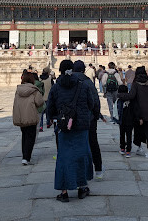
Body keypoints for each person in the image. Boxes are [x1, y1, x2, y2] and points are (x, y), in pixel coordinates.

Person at [47, 59, 94, 202]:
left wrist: (52, 118)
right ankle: (82, 187)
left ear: (60, 71)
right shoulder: (83, 85)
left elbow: (50, 106)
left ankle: (64, 191)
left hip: (63, 127)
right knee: (81, 155)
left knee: (64, 157)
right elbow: (91, 103)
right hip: (81, 126)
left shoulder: (56, 87)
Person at [72, 60, 103, 178]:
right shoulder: (88, 82)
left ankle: (78, 172)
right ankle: (98, 170)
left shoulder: (67, 81)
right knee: (93, 143)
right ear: (84, 70)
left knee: (75, 145)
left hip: (72, 119)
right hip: (88, 118)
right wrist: (96, 114)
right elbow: (95, 101)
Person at [117, 66, 148, 158]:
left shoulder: (136, 83)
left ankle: (139, 147)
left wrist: (120, 95)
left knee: (138, 130)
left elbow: (131, 95)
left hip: (139, 111)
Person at [13, 72, 44, 165]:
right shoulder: (34, 90)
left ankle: (24, 156)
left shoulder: (18, 90)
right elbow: (39, 102)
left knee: (24, 136)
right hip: (31, 116)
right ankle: (27, 157)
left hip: (21, 116)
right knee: (31, 137)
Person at [117, 84, 135, 156]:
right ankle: (128, 151)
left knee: (122, 134)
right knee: (129, 135)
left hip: (122, 119)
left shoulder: (119, 99)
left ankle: (122, 148)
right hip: (130, 119)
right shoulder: (131, 99)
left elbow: (117, 110)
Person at [39, 67, 54, 132]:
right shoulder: (50, 79)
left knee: (41, 113)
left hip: (41, 98)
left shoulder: (39, 79)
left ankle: (41, 126)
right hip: (48, 98)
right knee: (48, 112)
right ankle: (48, 123)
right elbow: (53, 88)